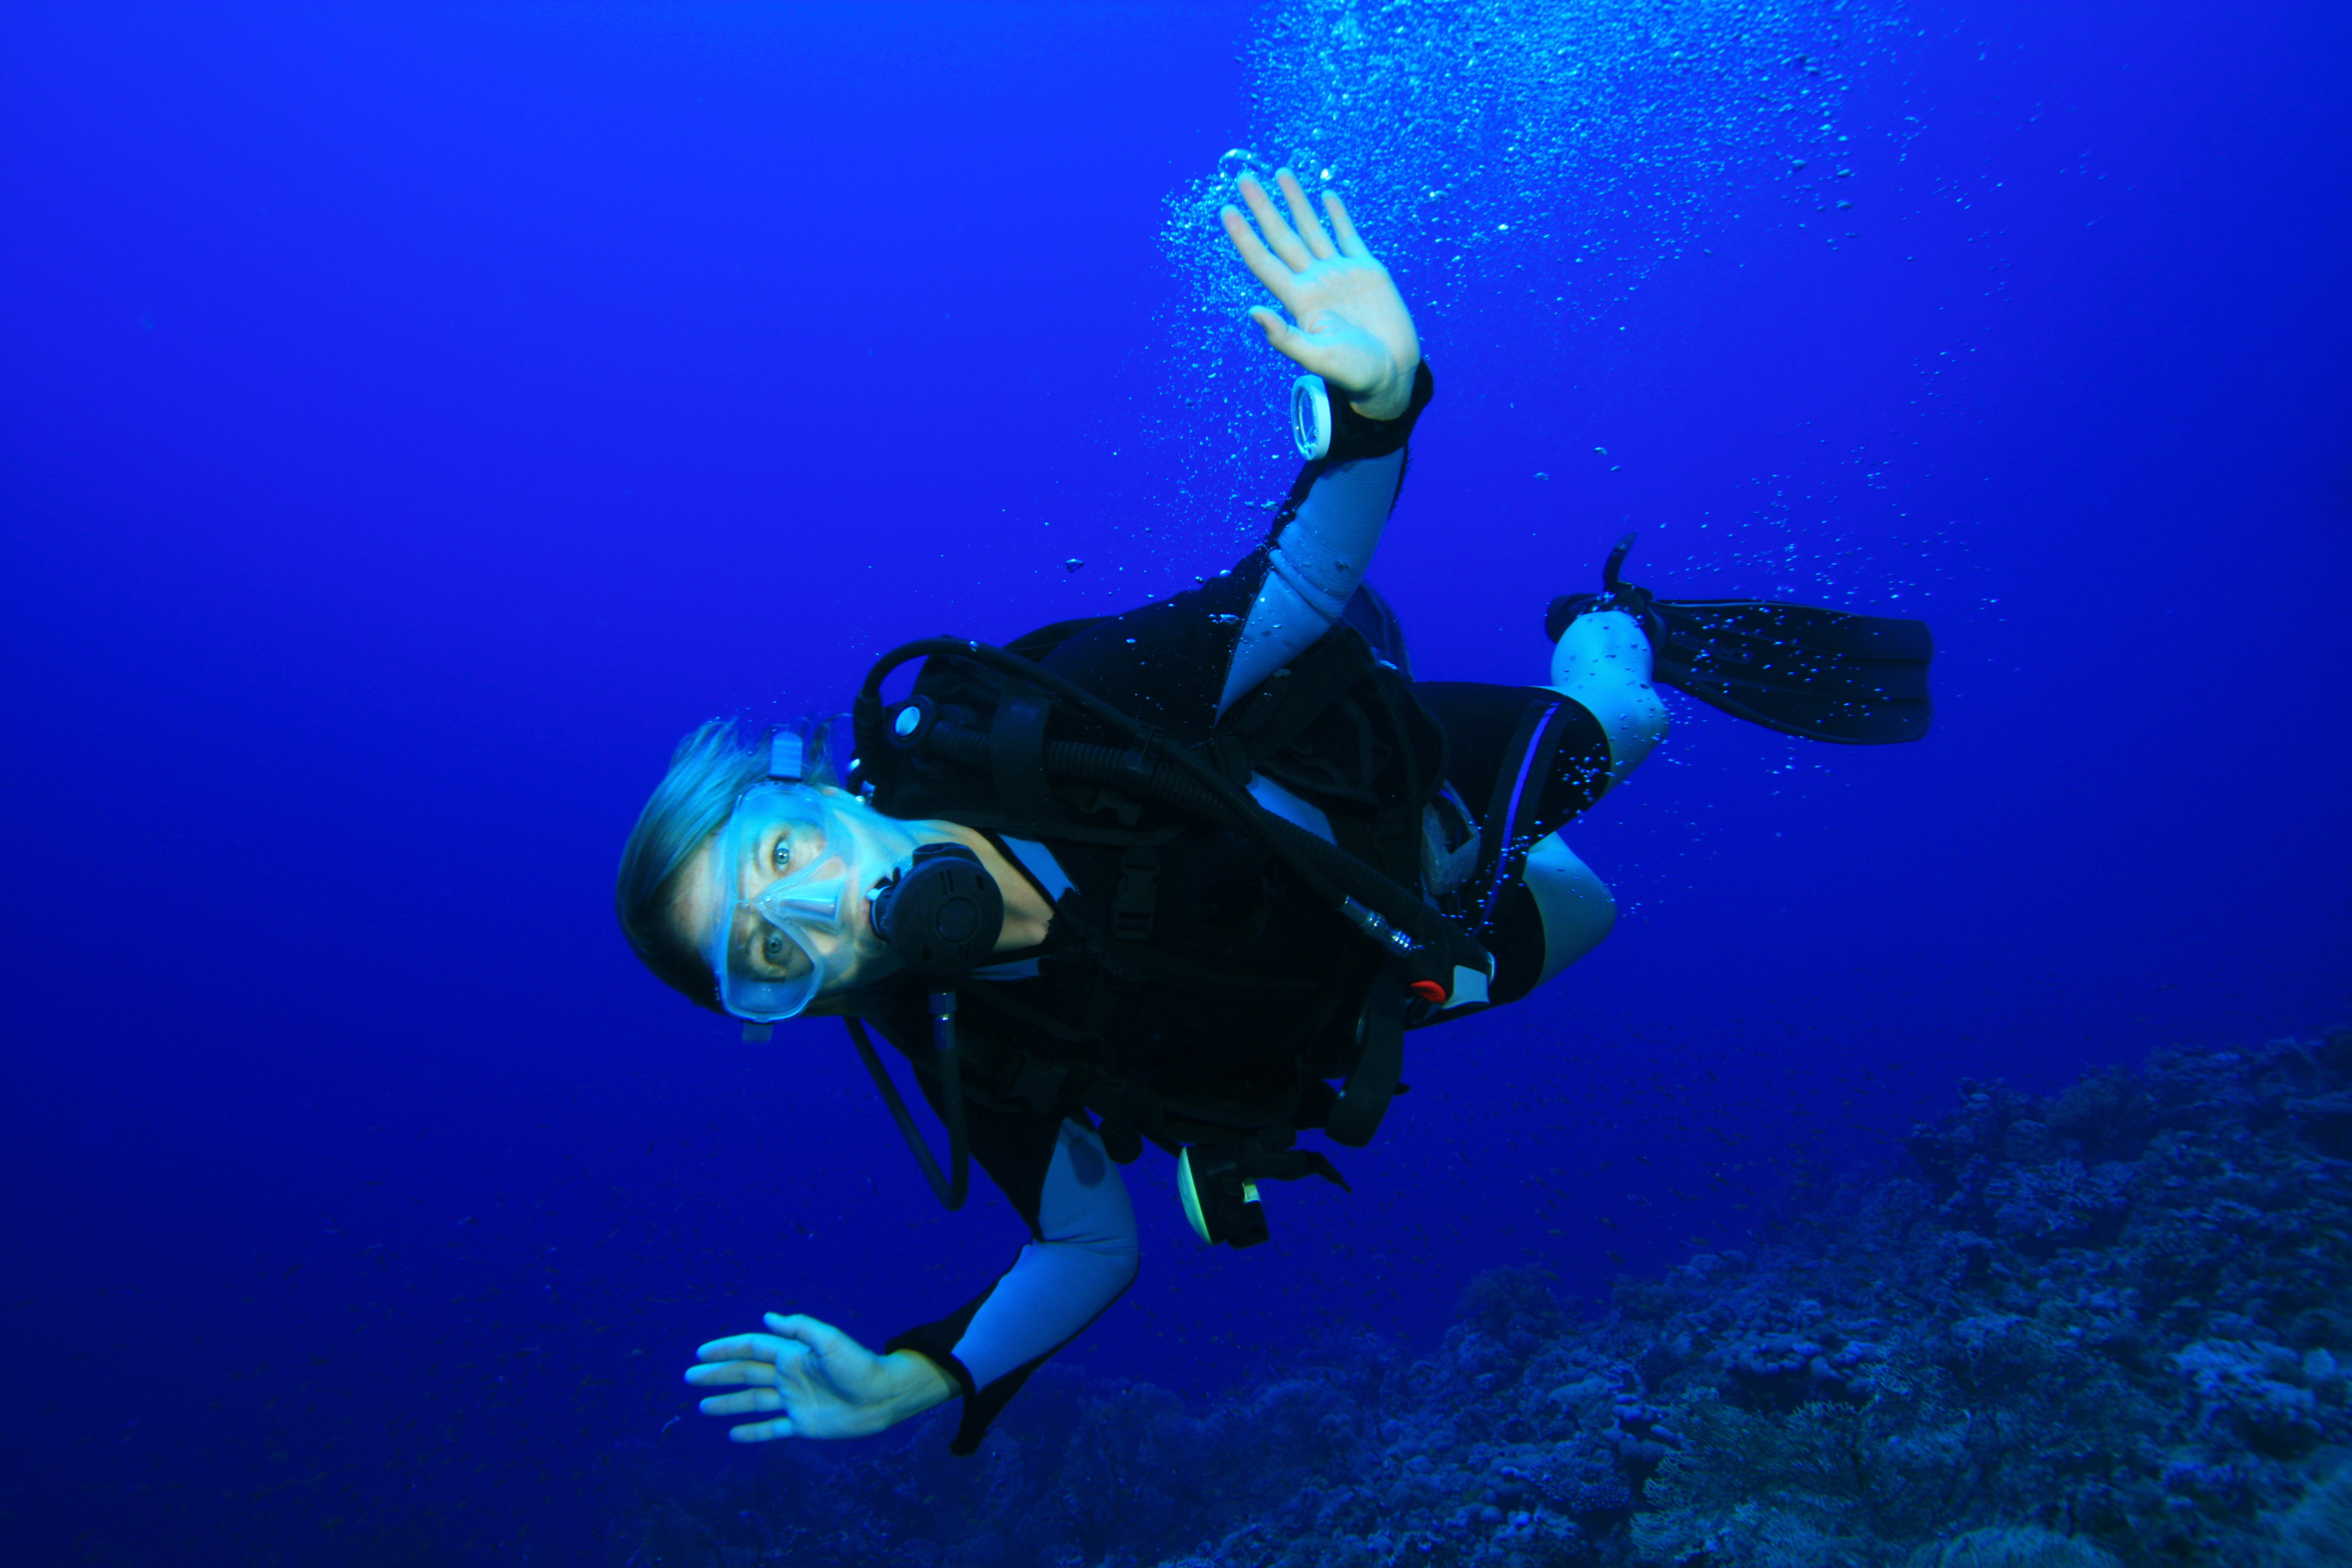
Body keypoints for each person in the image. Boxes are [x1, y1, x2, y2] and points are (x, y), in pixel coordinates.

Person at [613, 168, 1930, 1455]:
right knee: (1589, 916)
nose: (813, 903)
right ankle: (1510, 865)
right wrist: (920, 1378)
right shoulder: (967, 1044)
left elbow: (1293, 583)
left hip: (1383, 801)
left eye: (779, 853)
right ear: (799, 1003)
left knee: (1617, 735)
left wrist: (1378, 408)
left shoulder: (1052, 718)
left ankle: (1611, 623)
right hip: (1364, 971)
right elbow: (1083, 1247)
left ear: (808, 788)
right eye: (772, 953)